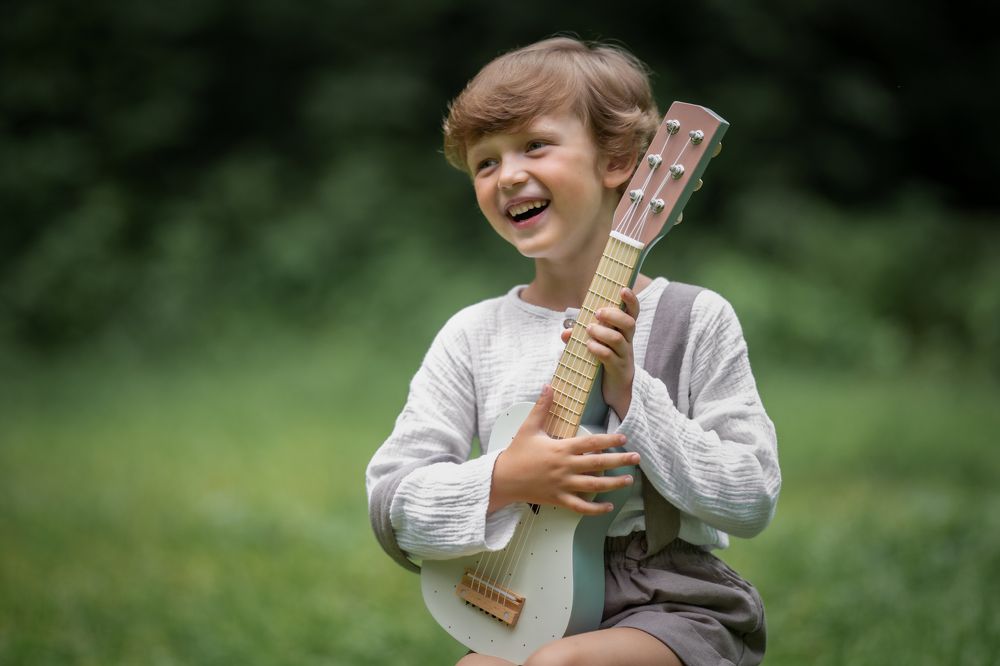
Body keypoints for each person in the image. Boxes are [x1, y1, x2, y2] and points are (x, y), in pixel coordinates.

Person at [366, 36, 780, 666]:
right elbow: (393, 506)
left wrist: (633, 395)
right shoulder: (473, 336)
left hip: (669, 602)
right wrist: (505, 479)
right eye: (485, 162)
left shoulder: (693, 319)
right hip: (520, 599)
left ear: (617, 160)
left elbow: (751, 496)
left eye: (534, 145)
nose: (508, 175)